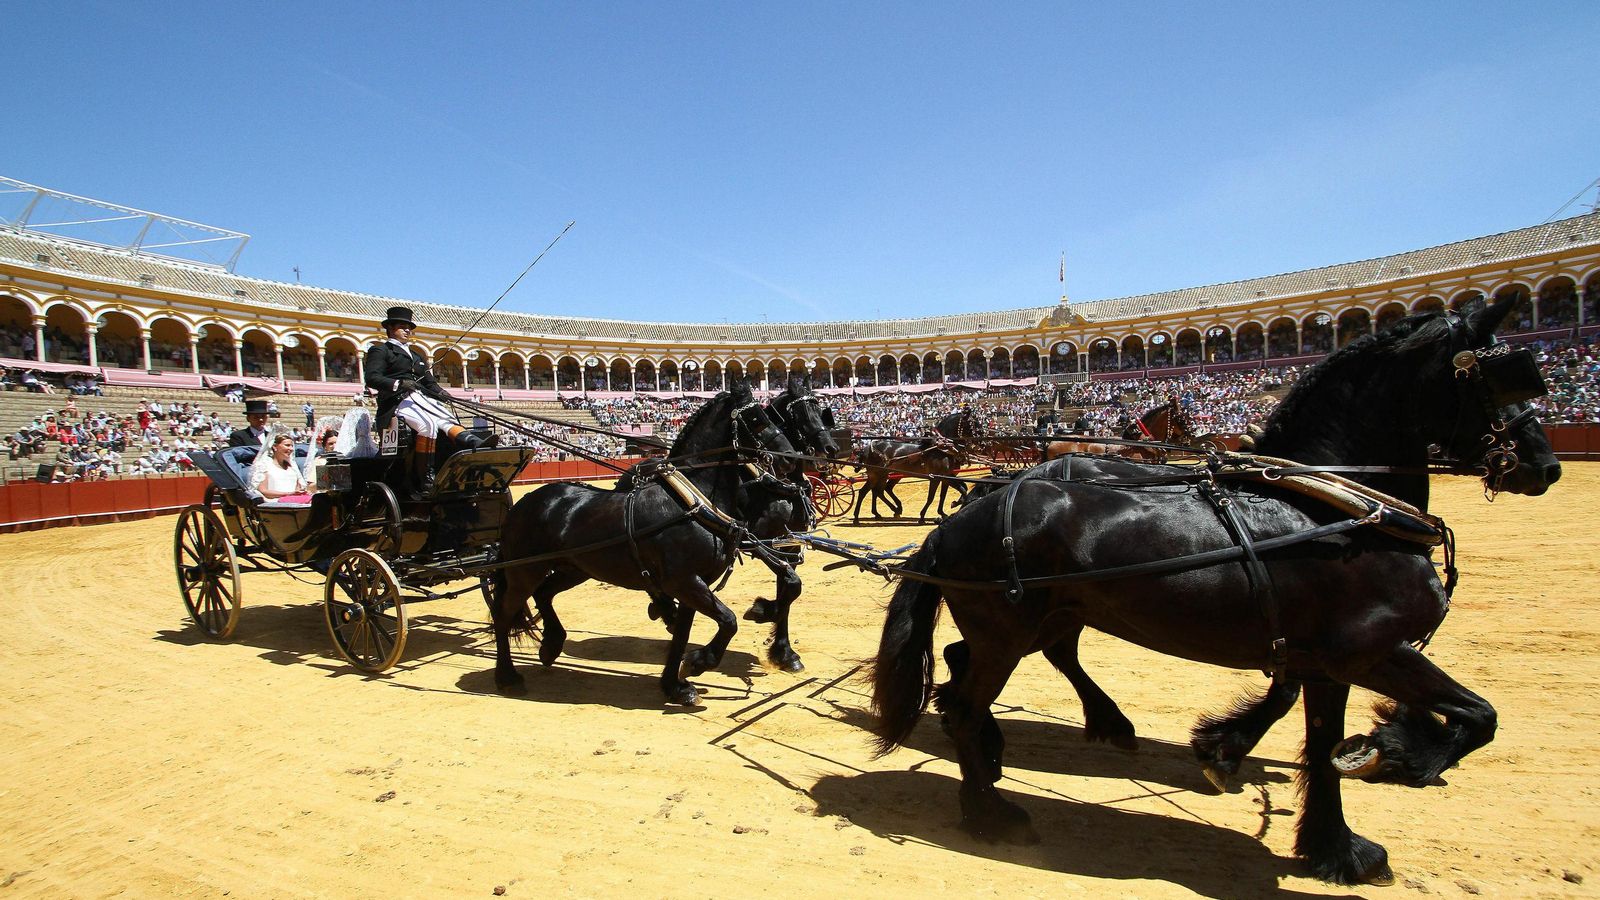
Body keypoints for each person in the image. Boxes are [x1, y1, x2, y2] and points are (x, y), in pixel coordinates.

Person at [363, 306, 495, 495]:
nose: (408, 330)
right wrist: (399, 384)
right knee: (427, 424)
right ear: (391, 328)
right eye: (402, 326)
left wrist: (442, 393)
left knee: (445, 417)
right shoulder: (381, 350)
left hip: (418, 398)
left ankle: (473, 443)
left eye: (409, 327)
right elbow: (372, 378)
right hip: (395, 402)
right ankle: (426, 475)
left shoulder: (416, 356)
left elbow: (429, 383)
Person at [250, 432, 310, 502]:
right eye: (287, 445)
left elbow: (298, 487)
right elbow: (263, 490)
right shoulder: (264, 465)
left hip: (293, 500)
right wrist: (288, 494)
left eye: (291, 446)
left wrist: (299, 492)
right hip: (274, 502)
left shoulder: (292, 467)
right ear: (275, 447)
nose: (291, 449)